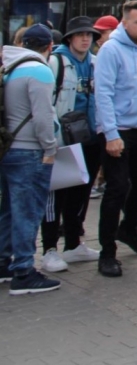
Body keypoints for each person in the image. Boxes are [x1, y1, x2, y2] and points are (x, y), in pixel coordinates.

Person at [93, 0, 137, 277]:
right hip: (118, 130)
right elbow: (103, 94)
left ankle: (128, 228)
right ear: (125, 22)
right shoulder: (111, 49)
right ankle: (107, 252)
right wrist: (111, 134)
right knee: (116, 189)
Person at [1, 24, 62, 294]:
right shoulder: (39, 70)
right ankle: (24, 272)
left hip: (9, 148)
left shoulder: (10, 67)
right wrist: (50, 148)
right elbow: (43, 117)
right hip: (30, 151)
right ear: (50, 46)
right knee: (28, 211)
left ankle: (4, 263)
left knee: (8, 210)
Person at [39, 17, 103, 273]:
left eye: (89, 35)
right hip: (63, 140)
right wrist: (50, 140)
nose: (85, 39)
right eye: (80, 35)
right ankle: (49, 249)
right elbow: (46, 103)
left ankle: (75, 243)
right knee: (56, 195)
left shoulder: (96, 63)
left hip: (89, 138)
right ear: (69, 38)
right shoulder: (56, 62)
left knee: (81, 193)